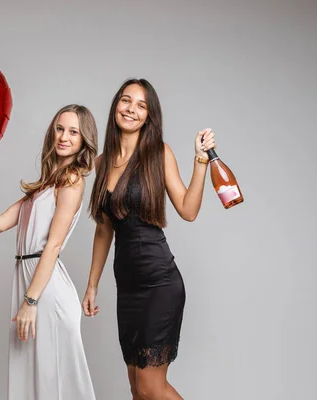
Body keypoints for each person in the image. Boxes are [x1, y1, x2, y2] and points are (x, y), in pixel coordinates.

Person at [0, 104, 98, 400]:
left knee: (52, 384)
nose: (64, 137)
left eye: (73, 132)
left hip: (45, 291)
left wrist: (30, 301)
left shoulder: (72, 181)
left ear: (84, 140)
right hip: (31, 283)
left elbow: (53, 245)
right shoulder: (44, 185)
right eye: (60, 129)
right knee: (34, 383)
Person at [82, 79, 217, 400]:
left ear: (148, 116)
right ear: (116, 105)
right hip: (126, 288)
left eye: (141, 105)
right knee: (136, 389)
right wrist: (92, 284)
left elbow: (188, 209)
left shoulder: (158, 153)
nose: (131, 109)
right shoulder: (101, 163)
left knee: (150, 387)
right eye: (126, 101)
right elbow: (104, 229)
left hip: (159, 283)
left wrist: (199, 161)